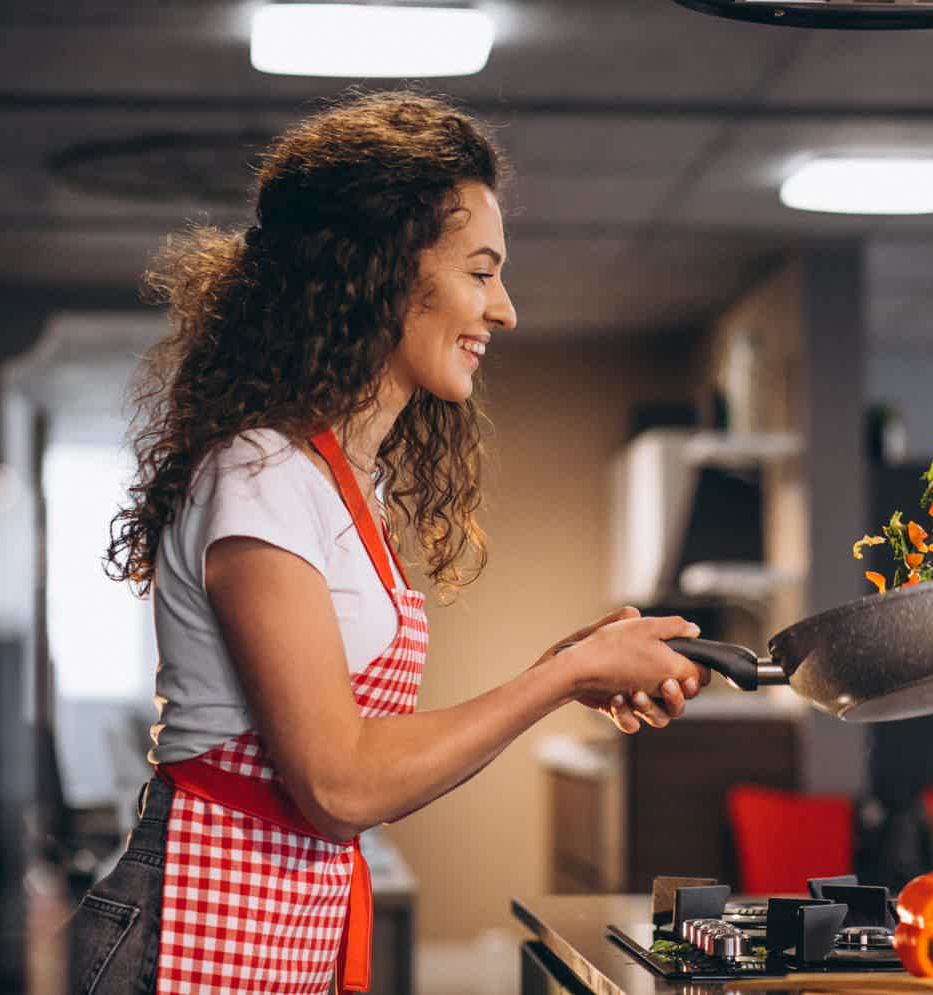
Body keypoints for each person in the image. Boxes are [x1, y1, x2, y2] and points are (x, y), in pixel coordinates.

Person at [66, 90, 711, 995]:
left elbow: (352, 748)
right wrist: (557, 678)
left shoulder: (338, 481)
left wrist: (580, 663)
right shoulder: (260, 475)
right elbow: (339, 786)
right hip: (186, 939)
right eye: (480, 272)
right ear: (378, 273)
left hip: (273, 933)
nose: (506, 310)